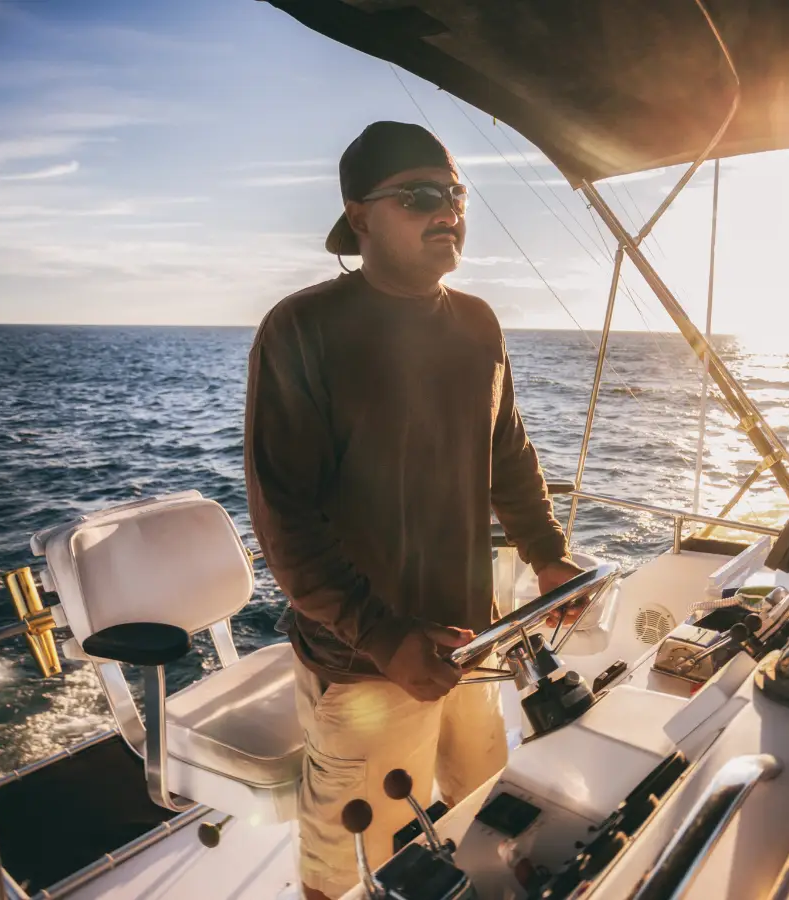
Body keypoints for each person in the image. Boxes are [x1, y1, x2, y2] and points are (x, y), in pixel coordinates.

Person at [243, 121, 584, 900]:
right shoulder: (301, 330)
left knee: (486, 824)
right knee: (353, 875)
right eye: (420, 195)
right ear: (358, 216)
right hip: (365, 665)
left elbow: (507, 453)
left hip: (472, 642)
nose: (448, 211)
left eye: (456, 193)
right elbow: (284, 520)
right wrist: (385, 638)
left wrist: (547, 552)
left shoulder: (477, 323)